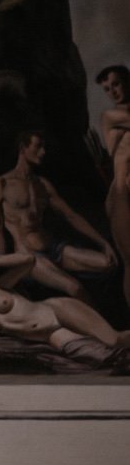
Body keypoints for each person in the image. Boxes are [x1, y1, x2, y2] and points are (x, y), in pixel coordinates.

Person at [0, 253, 130, 365]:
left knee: (114, 339)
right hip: (51, 336)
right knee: (103, 356)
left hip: (58, 311)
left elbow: (29, 261)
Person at [0, 130, 116, 298]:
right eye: (38, 147)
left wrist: (103, 243)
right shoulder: (0, 184)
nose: (43, 152)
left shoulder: (43, 184)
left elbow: (71, 216)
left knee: (108, 263)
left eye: (44, 147)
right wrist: (7, 267)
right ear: (22, 148)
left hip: (54, 248)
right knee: (75, 288)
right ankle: (100, 324)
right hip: (29, 256)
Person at [96, 64, 130, 310]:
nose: (113, 91)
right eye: (108, 89)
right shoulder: (111, 117)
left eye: (116, 84)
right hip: (122, 195)